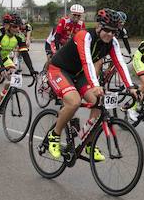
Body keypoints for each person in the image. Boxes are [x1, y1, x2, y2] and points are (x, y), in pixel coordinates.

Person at [45, 9, 137, 160]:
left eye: (113, 31)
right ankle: (54, 135)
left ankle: (88, 140)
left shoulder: (111, 42)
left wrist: (131, 87)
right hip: (59, 70)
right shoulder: (85, 36)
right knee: (74, 102)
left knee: (99, 103)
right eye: (106, 30)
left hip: (78, 74)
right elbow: (87, 61)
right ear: (98, 26)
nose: (109, 34)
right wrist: (95, 84)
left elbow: (120, 63)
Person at [0, 13, 36, 122]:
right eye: (14, 26)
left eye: (19, 26)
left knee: (15, 77)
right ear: (7, 26)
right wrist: (1, 68)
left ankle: (0, 98)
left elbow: (25, 53)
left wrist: (32, 70)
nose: (17, 29)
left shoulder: (19, 35)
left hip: (3, 57)